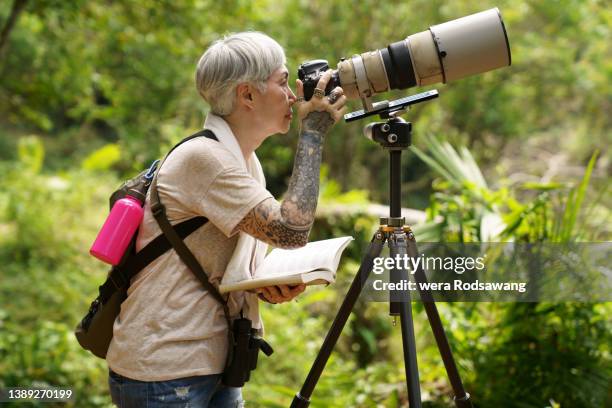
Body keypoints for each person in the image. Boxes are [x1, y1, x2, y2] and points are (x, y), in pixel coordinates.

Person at [105, 31, 347, 407]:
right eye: (283, 82)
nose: (292, 95)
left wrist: (266, 286)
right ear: (246, 95)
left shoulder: (245, 161)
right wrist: (312, 132)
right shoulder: (206, 160)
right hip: (164, 370)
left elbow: (224, 263)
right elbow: (290, 230)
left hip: (214, 361)